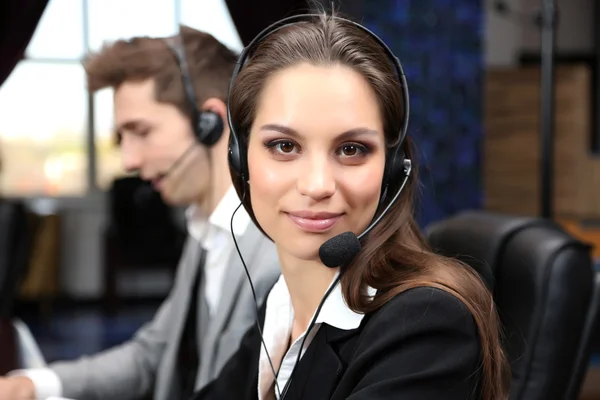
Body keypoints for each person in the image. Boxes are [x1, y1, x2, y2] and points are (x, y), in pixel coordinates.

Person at [192, 11, 511, 400]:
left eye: (351, 149)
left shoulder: (428, 328)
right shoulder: (281, 308)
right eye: (284, 146)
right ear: (240, 160)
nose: (317, 185)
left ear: (393, 168)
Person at [0, 26, 280, 400]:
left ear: (210, 123)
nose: (129, 160)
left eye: (141, 131)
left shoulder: (275, 253)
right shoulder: (205, 230)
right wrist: (34, 384)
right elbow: (153, 354)